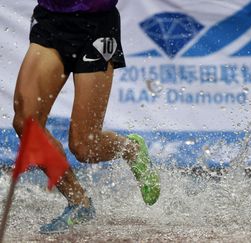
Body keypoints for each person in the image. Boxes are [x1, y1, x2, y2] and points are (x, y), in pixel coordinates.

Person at [12, 0, 160, 234]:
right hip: (51, 21)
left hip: (97, 25)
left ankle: (130, 149)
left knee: (84, 147)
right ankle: (78, 201)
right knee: (25, 122)